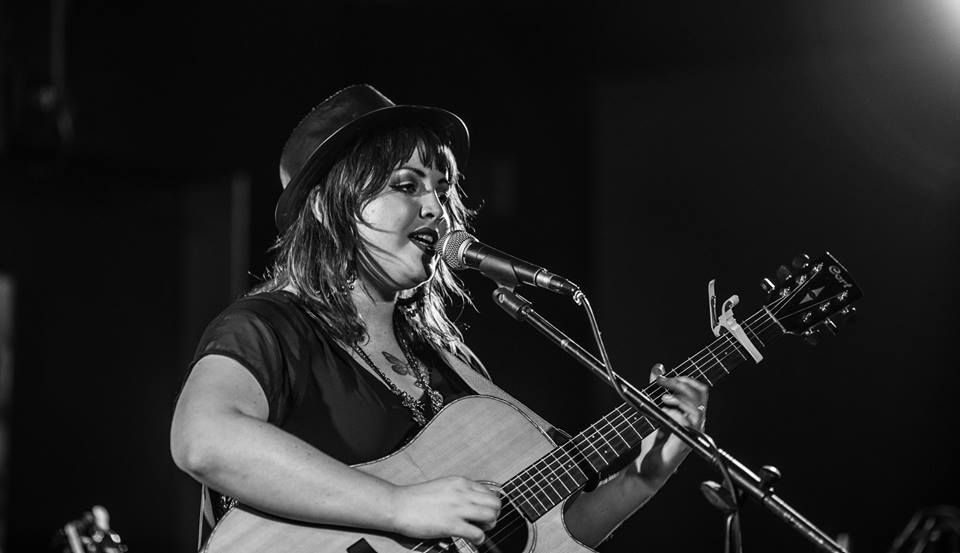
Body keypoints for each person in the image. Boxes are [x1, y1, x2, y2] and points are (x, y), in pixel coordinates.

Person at [170, 84, 709, 550]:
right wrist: (398, 506)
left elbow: (542, 537)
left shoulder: (447, 363)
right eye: (407, 185)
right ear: (325, 205)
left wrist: (641, 479)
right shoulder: (270, 327)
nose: (436, 208)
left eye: (442, 189)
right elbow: (204, 439)